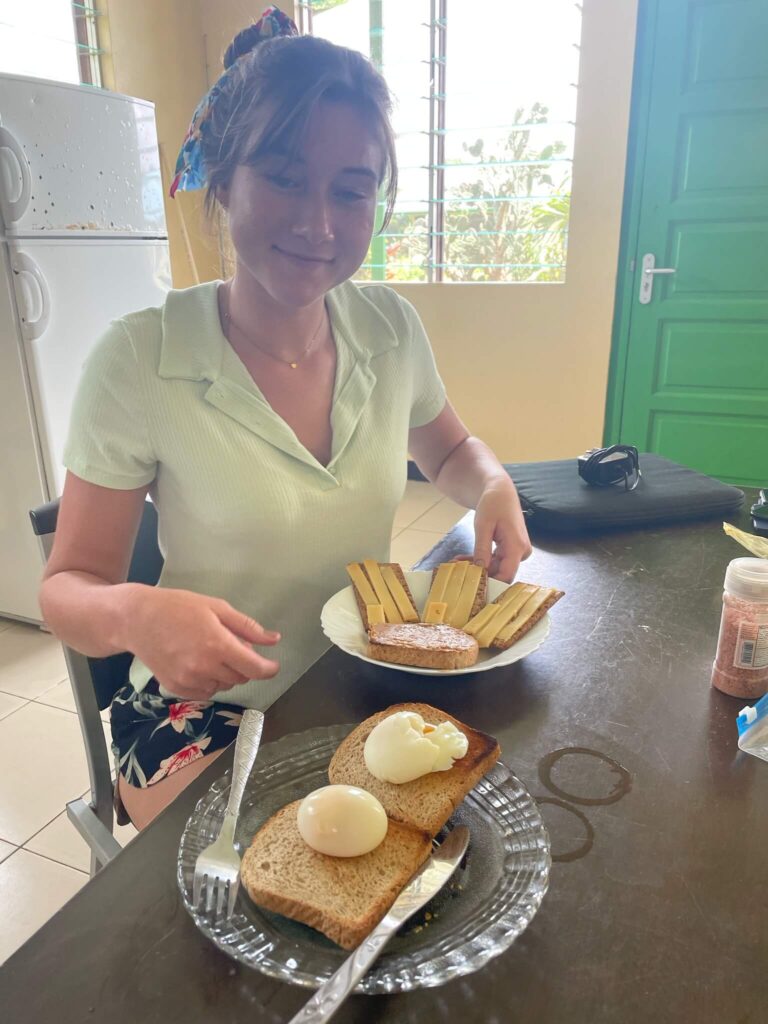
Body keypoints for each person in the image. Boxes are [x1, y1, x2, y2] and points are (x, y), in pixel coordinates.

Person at [39, 7, 532, 830]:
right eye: (283, 176)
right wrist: (136, 612)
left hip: (359, 679)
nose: (319, 224)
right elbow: (65, 588)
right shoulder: (139, 359)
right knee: (269, 891)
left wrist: (489, 484)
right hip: (200, 712)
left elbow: (449, 450)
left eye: (352, 190)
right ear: (223, 180)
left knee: (456, 854)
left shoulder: (389, 329)